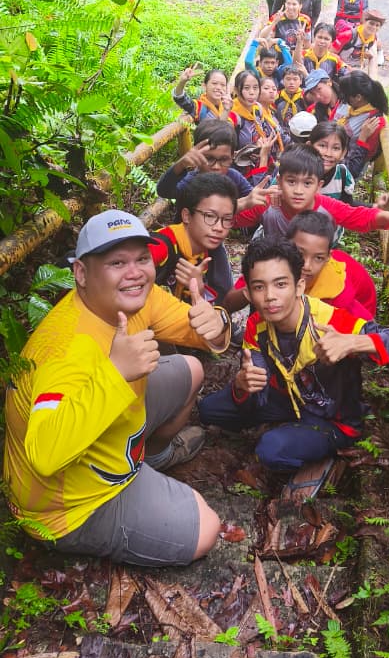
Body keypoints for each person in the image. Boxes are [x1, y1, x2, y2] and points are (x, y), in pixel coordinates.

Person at [3, 210, 231, 565]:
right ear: (81, 273)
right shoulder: (64, 348)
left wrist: (216, 321)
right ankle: (132, 489)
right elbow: (45, 456)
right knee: (207, 529)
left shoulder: (138, 297)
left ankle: (154, 456)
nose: (135, 272)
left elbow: (199, 331)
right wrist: (114, 372)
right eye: (117, 262)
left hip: (111, 430)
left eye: (142, 259)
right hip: (70, 501)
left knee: (191, 369)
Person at [199, 239, 389, 475]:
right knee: (209, 409)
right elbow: (257, 391)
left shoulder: (330, 321)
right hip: (287, 399)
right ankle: (293, 431)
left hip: (332, 417)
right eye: (259, 287)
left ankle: (322, 458)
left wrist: (354, 342)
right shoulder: (257, 325)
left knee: (271, 449)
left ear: (299, 286)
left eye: (280, 284)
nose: (270, 296)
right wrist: (242, 385)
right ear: (248, 293)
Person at [233, 146, 389, 240]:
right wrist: (244, 203)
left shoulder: (325, 205)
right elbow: (231, 220)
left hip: (311, 268)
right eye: (291, 181)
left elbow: (357, 216)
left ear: (318, 186)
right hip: (272, 265)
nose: (298, 191)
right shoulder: (269, 202)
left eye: (307, 183)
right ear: (279, 181)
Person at [150, 173, 237, 304]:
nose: (219, 228)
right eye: (209, 216)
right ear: (186, 216)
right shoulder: (160, 247)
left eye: (227, 219)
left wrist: (199, 290)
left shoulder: (202, 253)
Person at [286, 212, 376, 318]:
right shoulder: (275, 263)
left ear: (327, 258)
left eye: (318, 258)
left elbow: (367, 325)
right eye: (300, 254)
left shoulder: (337, 295)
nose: (306, 266)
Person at [156, 119, 265, 203]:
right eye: (209, 158)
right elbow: (164, 191)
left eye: (224, 159)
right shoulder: (190, 182)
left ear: (232, 156)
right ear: (197, 154)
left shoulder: (234, 176)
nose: (216, 166)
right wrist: (180, 165)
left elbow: (250, 195)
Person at [338, 71, 388, 177]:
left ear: (358, 97)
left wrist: (362, 139)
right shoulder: (354, 109)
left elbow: (368, 154)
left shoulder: (373, 121)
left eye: (346, 95)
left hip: (348, 170)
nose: (344, 98)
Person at [309, 121, 355, 203]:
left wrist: (374, 207)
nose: (328, 154)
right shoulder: (295, 171)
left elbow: (347, 206)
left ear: (343, 153)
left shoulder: (342, 174)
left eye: (336, 148)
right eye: (322, 145)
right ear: (309, 147)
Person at [275, 67, 306, 135]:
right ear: (283, 81)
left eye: (295, 79)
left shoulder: (305, 96)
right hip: (281, 133)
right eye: (288, 79)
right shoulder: (277, 96)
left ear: (301, 81)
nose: (291, 82)